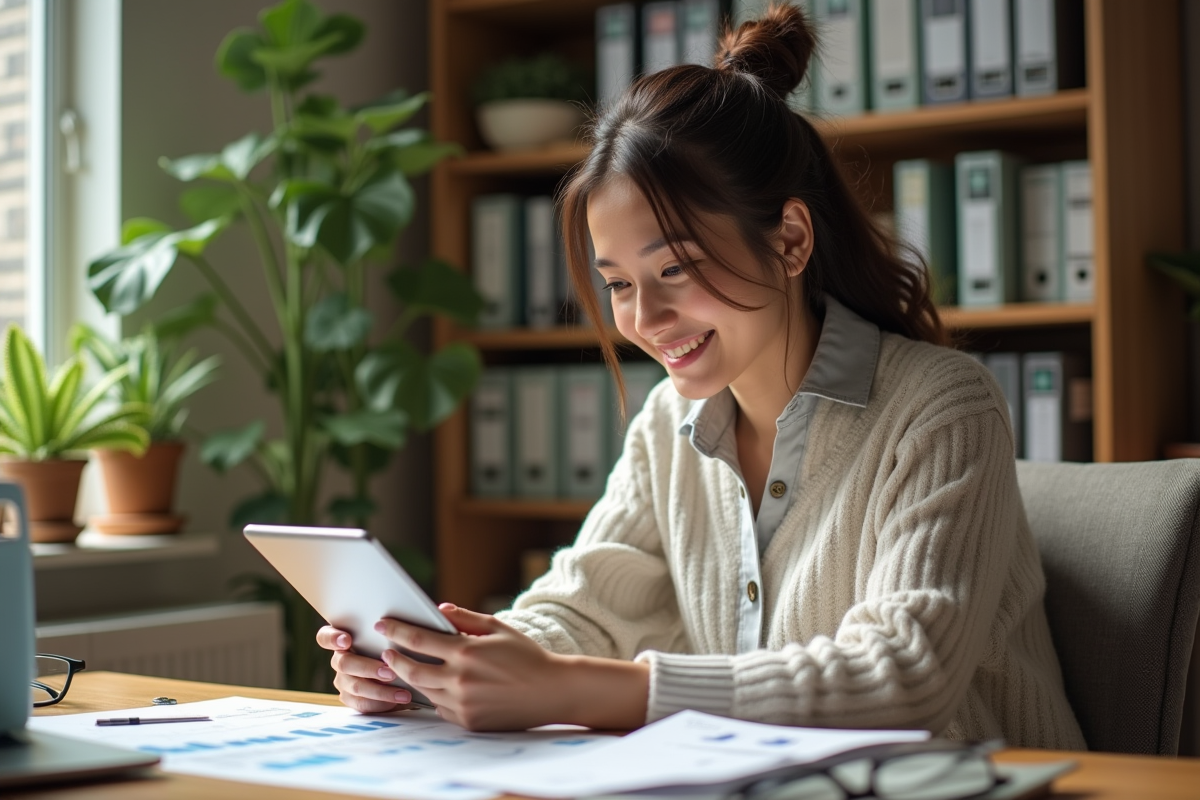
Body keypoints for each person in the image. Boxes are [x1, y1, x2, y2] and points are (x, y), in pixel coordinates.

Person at [317, 3, 1086, 748]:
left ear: (788, 239)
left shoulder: (942, 406)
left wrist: (573, 689)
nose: (645, 318)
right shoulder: (666, 425)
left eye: (675, 268)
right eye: (618, 283)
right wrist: (440, 661)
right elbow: (586, 607)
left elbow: (903, 674)